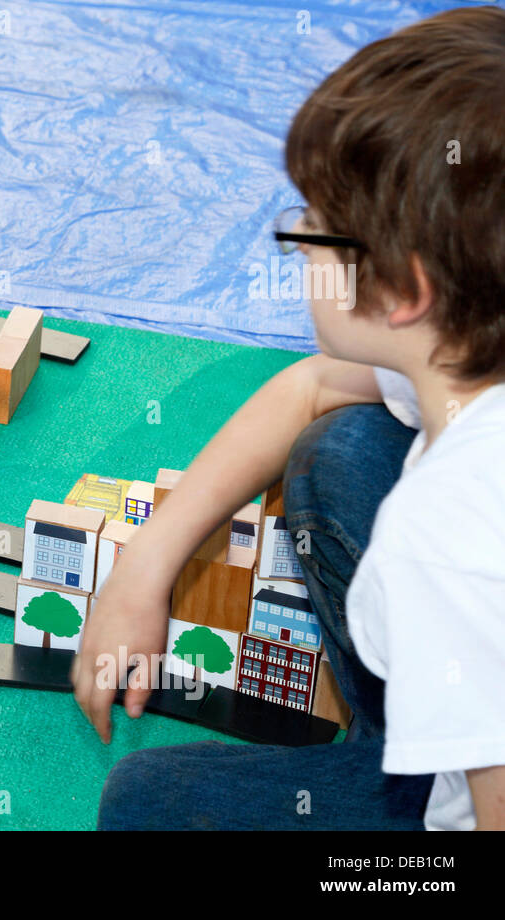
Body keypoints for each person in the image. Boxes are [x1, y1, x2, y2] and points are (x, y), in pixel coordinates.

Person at [74, 6, 505, 830]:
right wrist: (141, 569)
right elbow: (309, 389)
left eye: (316, 225)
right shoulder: (462, 350)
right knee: (339, 446)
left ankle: (408, 773)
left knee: (149, 809)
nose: (299, 243)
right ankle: (402, 740)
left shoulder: (445, 536)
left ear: (407, 292)